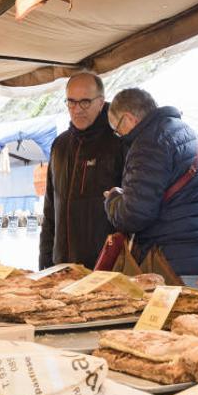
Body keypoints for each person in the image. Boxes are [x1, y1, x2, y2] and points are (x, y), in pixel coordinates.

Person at [104, 88, 198, 279]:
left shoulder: (149, 143)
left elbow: (134, 214)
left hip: (172, 265)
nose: (120, 136)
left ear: (128, 118)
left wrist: (113, 199)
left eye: (117, 129)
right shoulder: (191, 134)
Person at [39, 72, 123, 270]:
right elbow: (50, 210)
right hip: (62, 267)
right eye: (71, 102)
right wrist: (45, 265)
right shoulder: (59, 145)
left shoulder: (119, 143)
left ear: (101, 102)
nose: (77, 110)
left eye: (85, 102)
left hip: (106, 268)